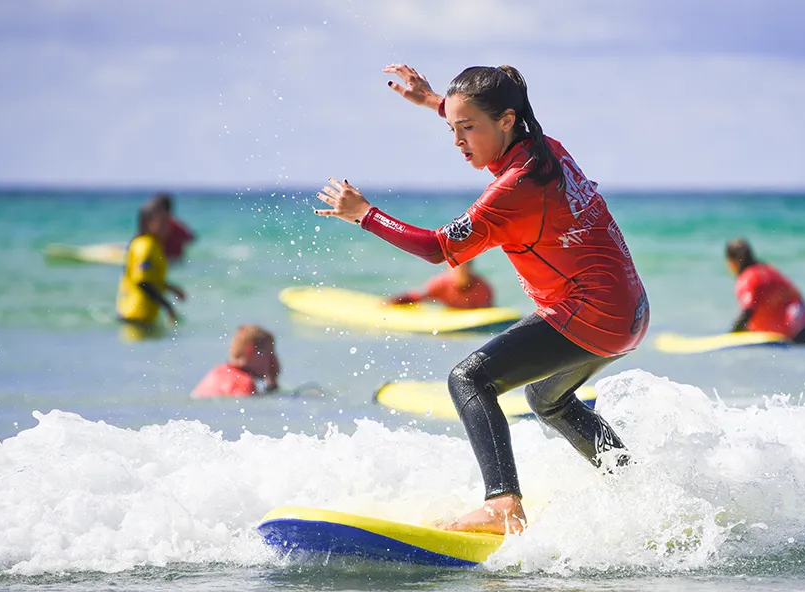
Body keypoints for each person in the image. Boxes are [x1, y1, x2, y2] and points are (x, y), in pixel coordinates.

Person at [314, 63, 650, 535]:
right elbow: (484, 121)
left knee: (469, 379)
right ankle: (641, 491)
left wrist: (366, 214)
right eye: (453, 128)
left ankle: (503, 506)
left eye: (466, 128)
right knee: (547, 399)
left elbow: (436, 249)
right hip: (629, 311)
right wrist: (435, 101)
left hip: (591, 312)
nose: (457, 141)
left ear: (506, 120)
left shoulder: (512, 190)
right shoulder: (544, 148)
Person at [725, 238, 805, 348]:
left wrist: (730, 337)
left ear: (732, 261)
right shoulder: (768, 270)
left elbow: (747, 311)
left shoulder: (748, 278)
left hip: (792, 332)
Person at [116, 199, 186, 331]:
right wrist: (168, 306)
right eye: (163, 222)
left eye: (169, 222)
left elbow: (151, 278)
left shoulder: (154, 244)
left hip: (141, 317)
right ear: (147, 223)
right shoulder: (145, 246)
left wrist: (171, 288)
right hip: (135, 317)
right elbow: (143, 282)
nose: (168, 227)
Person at [191, 325, 280, 398]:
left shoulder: (217, 372)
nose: (273, 360)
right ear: (250, 350)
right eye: (270, 353)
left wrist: (272, 382)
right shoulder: (245, 383)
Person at [387, 259, 494, 309]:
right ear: (448, 268)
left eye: (464, 267)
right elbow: (417, 296)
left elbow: (489, 314)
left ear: (470, 268)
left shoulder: (482, 288)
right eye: (456, 267)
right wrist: (394, 301)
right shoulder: (441, 283)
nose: (460, 271)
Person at [148, 192, 196, 262]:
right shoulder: (179, 226)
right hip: (171, 263)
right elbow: (191, 238)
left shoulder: (154, 227)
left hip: (170, 262)